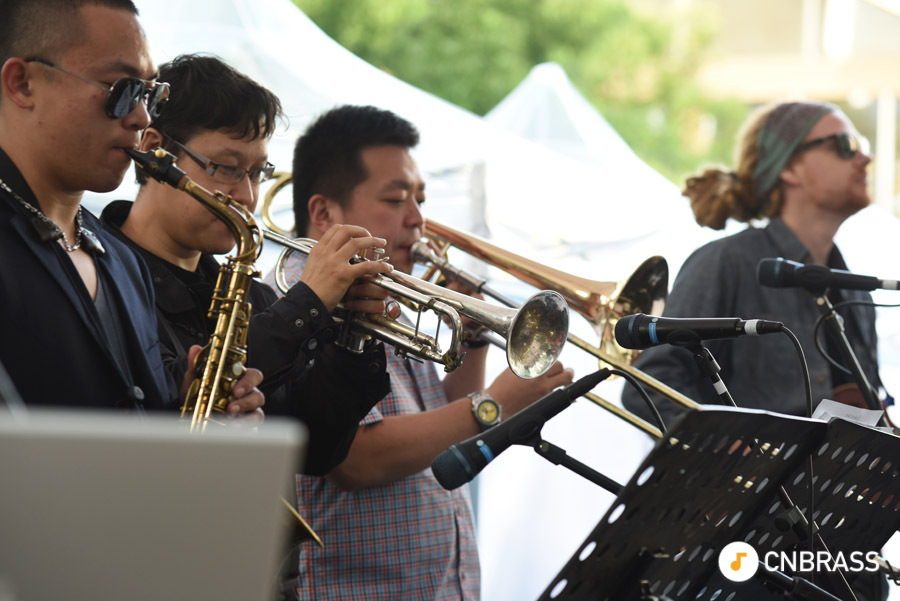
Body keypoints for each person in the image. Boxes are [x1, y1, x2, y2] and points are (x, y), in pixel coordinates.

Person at [267, 104, 574, 601]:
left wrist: (472, 341)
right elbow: (357, 459)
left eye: (420, 199)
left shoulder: (387, 296)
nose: (417, 220)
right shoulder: (298, 305)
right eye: (395, 200)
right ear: (323, 214)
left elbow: (437, 426)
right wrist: (492, 406)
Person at [622, 101, 888, 600]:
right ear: (790, 168)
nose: (865, 158)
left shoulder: (854, 289)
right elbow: (649, 384)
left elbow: (860, 408)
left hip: (840, 556)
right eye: (845, 144)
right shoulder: (724, 262)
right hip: (744, 557)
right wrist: (734, 460)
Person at [100, 54, 392, 476]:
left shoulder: (257, 297)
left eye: (257, 173)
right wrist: (306, 303)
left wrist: (352, 338)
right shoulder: (100, 278)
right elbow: (164, 400)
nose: (247, 197)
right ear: (153, 149)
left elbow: (316, 453)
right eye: (226, 168)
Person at [0, 0, 263, 415]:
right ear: (22, 84)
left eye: (149, 94)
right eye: (121, 90)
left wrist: (189, 411)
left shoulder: (123, 262)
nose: (142, 118)